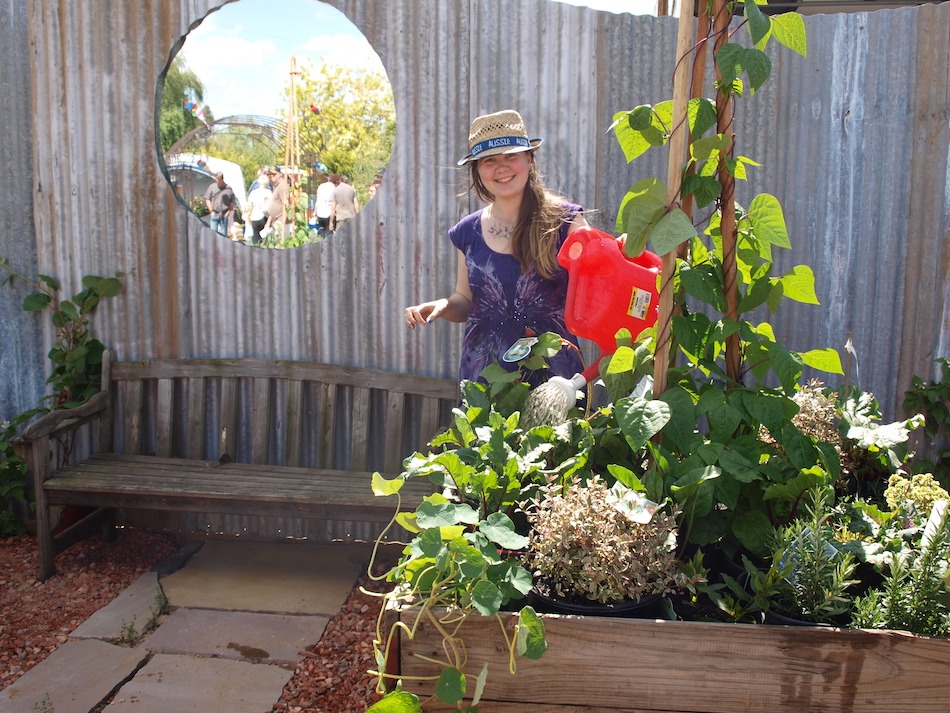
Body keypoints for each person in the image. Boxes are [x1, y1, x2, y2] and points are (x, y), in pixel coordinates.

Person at [404, 109, 588, 385]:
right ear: (477, 170)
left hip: (555, 380)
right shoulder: (467, 232)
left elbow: (603, 270)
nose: (502, 167)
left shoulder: (566, 221)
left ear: (529, 158)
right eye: (489, 160)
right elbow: (465, 301)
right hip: (485, 376)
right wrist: (444, 305)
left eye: (511, 156)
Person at [245, 168, 272, 246]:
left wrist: (248, 217)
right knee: (266, 238)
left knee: (255, 237)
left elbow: (249, 206)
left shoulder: (254, 193)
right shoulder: (269, 192)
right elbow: (271, 206)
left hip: (255, 217)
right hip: (266, 217)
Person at [204, 172, 235, 236]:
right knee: (213, 234)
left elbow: (232, 202)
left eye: (219, 180)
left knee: (223, 235)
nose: (217, 182)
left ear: (222, 179)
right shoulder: (212, 187)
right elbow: (207, 199)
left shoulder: (228, 189)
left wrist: (228, 213)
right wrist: (211, 211)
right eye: (216, 180)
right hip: (214, 213)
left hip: (224, 214)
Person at [264, 167, 290, 240]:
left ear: (280, 174)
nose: (271, 176)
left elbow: (286, 204)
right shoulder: (276, 186)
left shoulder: (282, 186)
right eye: (270, 174)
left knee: (277, 241)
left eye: (274, 174)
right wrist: (268, 222)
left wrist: (282, 222)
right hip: (276, 220)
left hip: (281, 221)